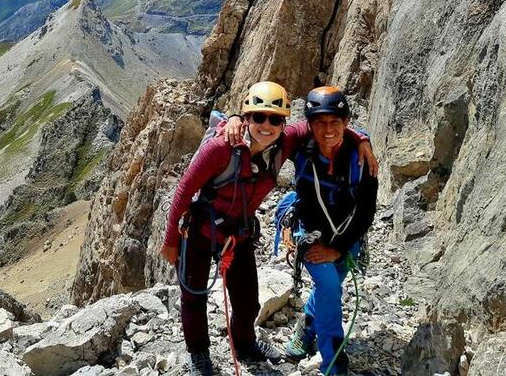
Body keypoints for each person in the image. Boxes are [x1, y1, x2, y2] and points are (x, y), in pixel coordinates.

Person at [160, 82, 377, 376]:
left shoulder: (285, 142)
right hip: (199, 232)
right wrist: (171, 242)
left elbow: (326, 125)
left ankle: (246, 344)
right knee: (193, 296)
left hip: (238, 235)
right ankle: (199, 354)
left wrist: (361, 138)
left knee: (248, 302)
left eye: (275, 119)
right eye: (258, 117)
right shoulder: (220, 147)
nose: (267, 125)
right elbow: (184, 192)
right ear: (246, 118)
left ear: (283, 123)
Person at [281, 86, 378, 376]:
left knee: (329, 286)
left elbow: (366, 211)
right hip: (309, 236)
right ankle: (333, 358)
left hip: (347, 238)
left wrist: (339, 248)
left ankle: (308, 326)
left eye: (335, 122)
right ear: (309, 125)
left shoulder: (362, 160)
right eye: (320, 122)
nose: (327, 129)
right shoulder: (300, 149)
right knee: (330, 287)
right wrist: (233, 119)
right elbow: (262, 133)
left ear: (346, 123)